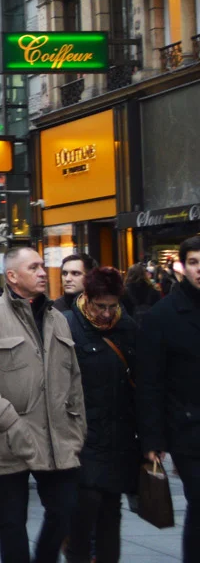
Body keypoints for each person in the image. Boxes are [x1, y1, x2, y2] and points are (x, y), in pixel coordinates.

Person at [0, 246, 85, 563]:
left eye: (43, 266)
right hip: (8, 437)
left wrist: (77, 427)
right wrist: (7, 420)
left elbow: (74, 378)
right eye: (34, 267)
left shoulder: (59, 319)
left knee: (66, 510)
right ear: (13, 276)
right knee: (12, 522)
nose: (43, 272)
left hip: (57, 437)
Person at [62, 266, 137, 563]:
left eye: (112, 306)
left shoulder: (127, 328)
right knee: (86, 503)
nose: (106, 313)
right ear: (87, 298)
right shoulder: (67, 325)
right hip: (82, 434)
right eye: (100, 305)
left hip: (118, 435)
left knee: (110, 507)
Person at [138, 235, 200, 563]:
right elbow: (150, 381)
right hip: (188, 430)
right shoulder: (164, 315)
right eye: (194, 262)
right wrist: (152, 438)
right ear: (182, 268)